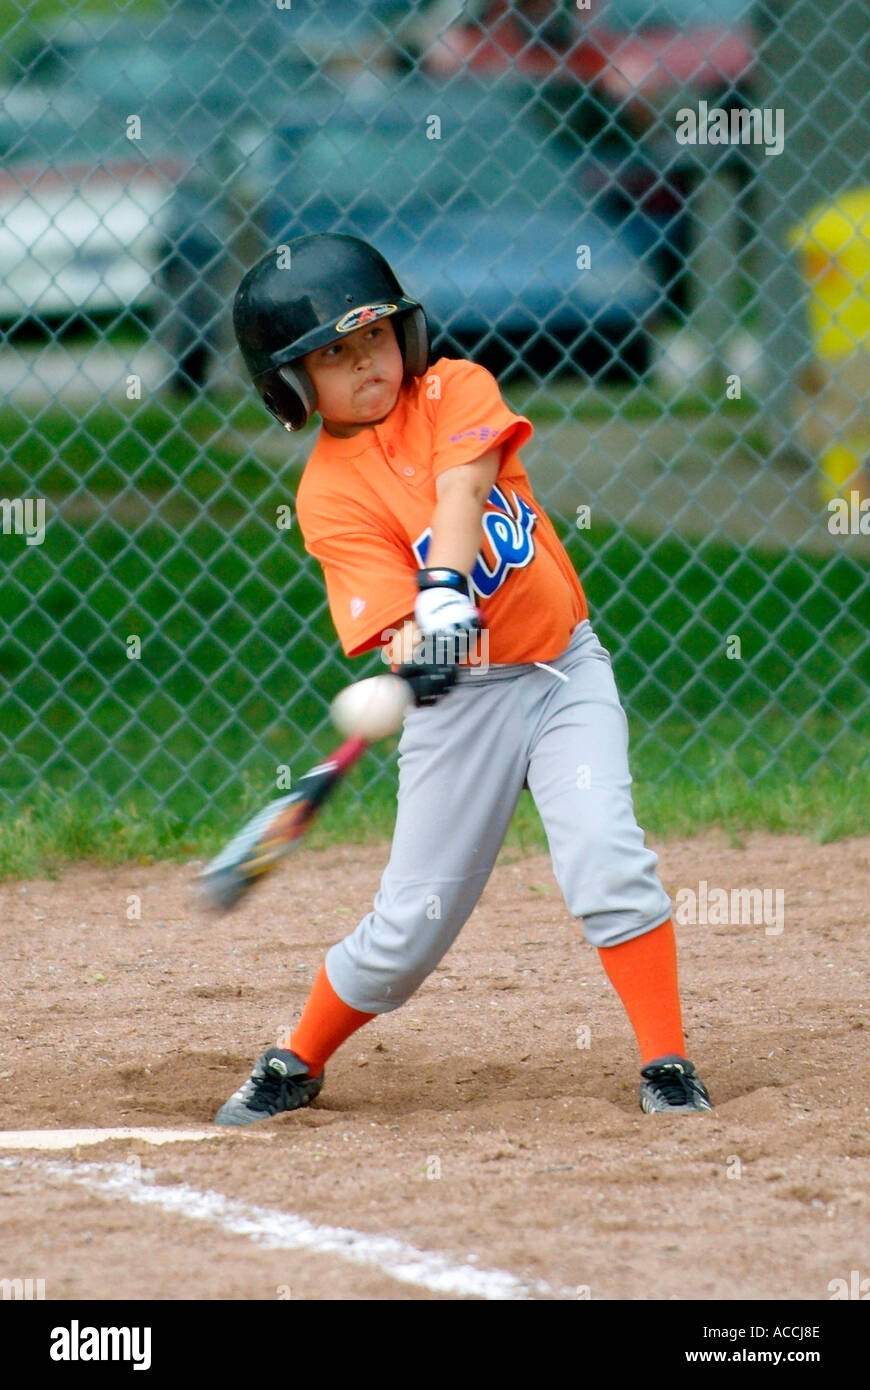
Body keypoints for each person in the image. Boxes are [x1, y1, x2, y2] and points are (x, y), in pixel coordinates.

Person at [215, 232, 712, 1125]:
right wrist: (420, 652)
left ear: (404, 337)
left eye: (373, 337)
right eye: (331, 353)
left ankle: (667, 1062)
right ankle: (298, 1057)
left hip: (563, 673)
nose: (363, 361)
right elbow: (394, 632)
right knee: (409, 929)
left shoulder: (455, 387)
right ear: (290, 387)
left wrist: (444, 586)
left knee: (605, 855)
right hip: (464, 711)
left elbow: (465, 487)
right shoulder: (327, 498)